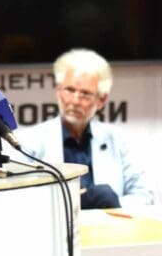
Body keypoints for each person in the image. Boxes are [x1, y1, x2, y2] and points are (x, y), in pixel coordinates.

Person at [17, 48, 154, 209]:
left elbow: (144, 195)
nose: (75, 101)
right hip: (54, 223)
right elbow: (17, 199)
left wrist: (115, 205)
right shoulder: (29, 142)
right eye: (69, 90)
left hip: (108, 223)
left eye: (85, 94)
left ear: (101, 100)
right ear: (58, 91)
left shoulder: (118, 140)